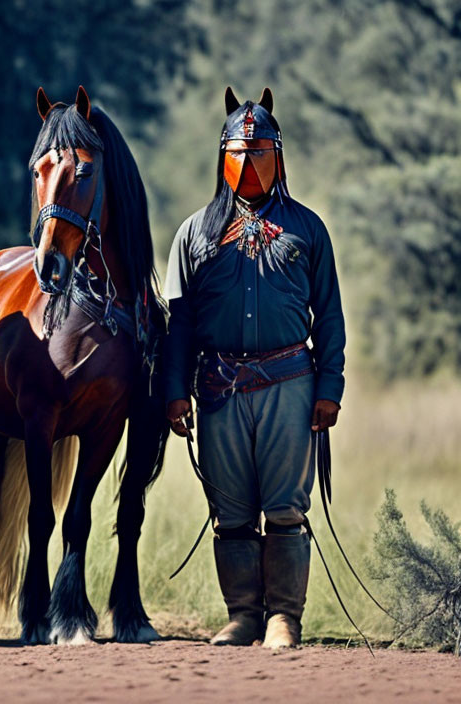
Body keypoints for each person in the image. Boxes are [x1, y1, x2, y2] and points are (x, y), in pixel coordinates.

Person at [162, 87, 346, 648]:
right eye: (238, 152)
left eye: (260, 151)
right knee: (232, 512)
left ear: (278, 156)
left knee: (286, 509)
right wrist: (175, 390)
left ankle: (283, 617)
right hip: (218, 389)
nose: (248, 162)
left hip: (291, 384)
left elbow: (331, 314)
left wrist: (330, 387)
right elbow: (179, 325)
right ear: (222, 157)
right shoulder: (194, 233)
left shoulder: (308, 229)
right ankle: (243, 614)